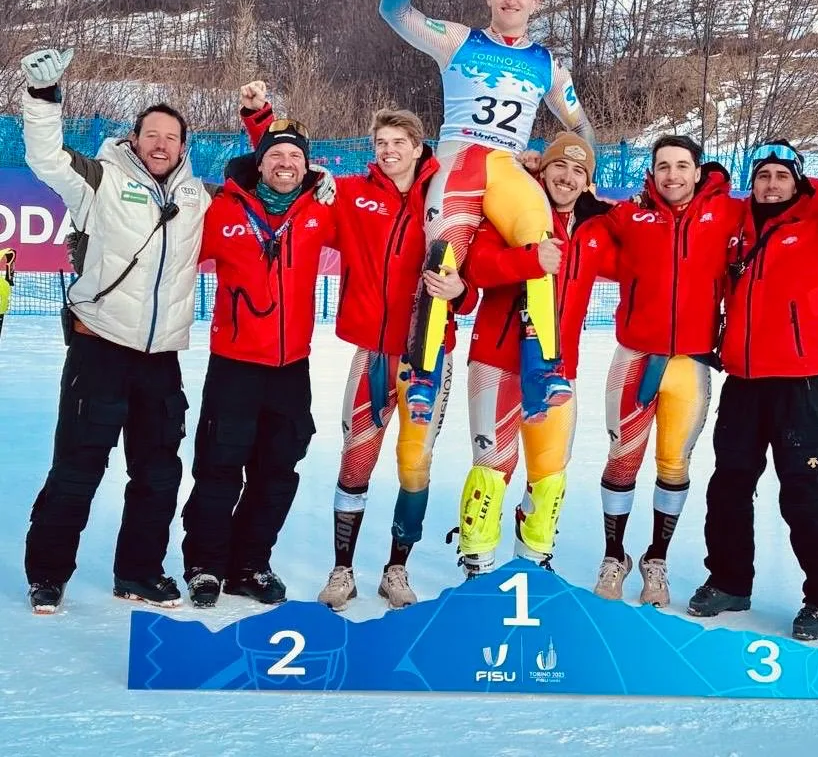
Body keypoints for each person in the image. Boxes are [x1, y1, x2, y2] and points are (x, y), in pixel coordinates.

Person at [241, 88, 471, 609]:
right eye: (380, 142)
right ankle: (342, 570)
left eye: (398, 141)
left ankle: (397, 569)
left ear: (418, 147)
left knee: (415, 467)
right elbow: (284, 167)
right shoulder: (349, 193)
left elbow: (473, 268)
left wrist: (464, 292)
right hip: (372, 353)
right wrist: (262, 121)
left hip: (428, 356)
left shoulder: (445, 198)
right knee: (355, 463)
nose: (388, 150)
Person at [20, 47, 213, 614]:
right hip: (99, 348)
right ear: (134, 139)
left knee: (157, 475)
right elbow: (47, 158)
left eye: (170, 137)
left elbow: (262, 191)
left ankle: (139, 573)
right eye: (150, 134)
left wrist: (313, 179)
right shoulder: (99, 181)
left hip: (160, 359)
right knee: (78, 468)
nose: (160, 144)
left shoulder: (196, 198)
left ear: (183, 146)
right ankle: (48, 574)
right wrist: (44, 100)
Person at [379, 0, 596, 425]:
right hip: (459, 160)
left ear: (536, 2)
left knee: (542, 245)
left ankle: (542, 370)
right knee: (443, 256)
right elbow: (394, 11)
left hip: (506, 167)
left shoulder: (547, 64)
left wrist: (585, 169)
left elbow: (580, 122)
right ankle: (425, 373)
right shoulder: (459, 40)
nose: (512, 0)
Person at [688, 120, 818, 640]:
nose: (771, 184)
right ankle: (730, 581)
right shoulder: (739, 224)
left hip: (799, 384)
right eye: (763, 176)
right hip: (744, 382)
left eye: (782, 175)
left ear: (797, 182)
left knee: (802, 492)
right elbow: (704, 191)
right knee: (729, 485)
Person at [181, 114, 336, 607]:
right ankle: (205, 565)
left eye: (296, 156)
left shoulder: (322, 210)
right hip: (235, 365)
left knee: (278, 473)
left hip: (292, 368)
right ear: (259, 163)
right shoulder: (222, 209)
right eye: (276, 155)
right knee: (218, 468)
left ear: (308, 166)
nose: (286, 163)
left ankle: (249, 564)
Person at [592, 135, 744, 607]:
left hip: (691, 365)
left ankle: (656, 559)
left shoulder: (728, 213)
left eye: (681, 166)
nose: (672, 175)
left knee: (674, 464)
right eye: (663, 166)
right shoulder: (630, 214)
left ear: (698, 171)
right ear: (651, 172)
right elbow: (574, 203)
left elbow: (783, 206)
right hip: (635, 359)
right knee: (622, 459)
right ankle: (613, 555)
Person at [456, 132, 615, 575]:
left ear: (588, 183)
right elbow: (479, 267)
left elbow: (649, 249)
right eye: (558, 166)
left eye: (578, 171)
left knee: (549, 473)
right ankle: (478, 564)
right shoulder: (508, 214)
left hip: (558, 367)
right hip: (496, 362)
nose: (566, 177)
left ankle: (533, 563)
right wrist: (531, 257)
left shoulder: (597, 229)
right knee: (492, 467)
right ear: (541, 171)